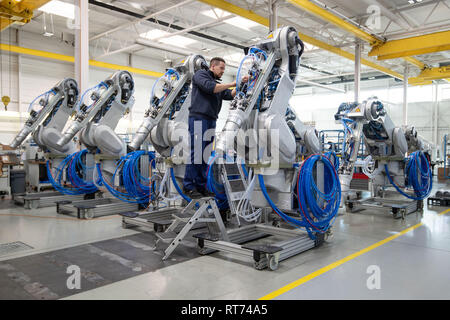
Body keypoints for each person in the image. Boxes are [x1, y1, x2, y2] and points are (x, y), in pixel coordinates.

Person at [182, 57, 248, 198]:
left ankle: (201, 186)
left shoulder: (217, 84)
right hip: (199, 118)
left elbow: (229, 94)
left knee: (205, 154)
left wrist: (241, 85)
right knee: (197, 152)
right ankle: (188, 186)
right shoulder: (200, 75)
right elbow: (210, 88)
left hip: (211, 120)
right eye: (221, 68)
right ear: (213, 66)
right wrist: (233, 83)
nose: (223, 71)